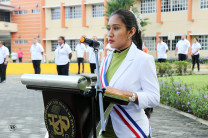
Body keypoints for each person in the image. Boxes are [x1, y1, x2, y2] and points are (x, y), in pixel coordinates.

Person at [100, 9, 159, 138]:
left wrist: (128, 95)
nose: (109, 34)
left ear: (131, 31)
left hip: (131, 130)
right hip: (104, 131)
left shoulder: (143, 59)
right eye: (108, 28)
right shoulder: (105, 61)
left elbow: (154, 97)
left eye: (116, 28)